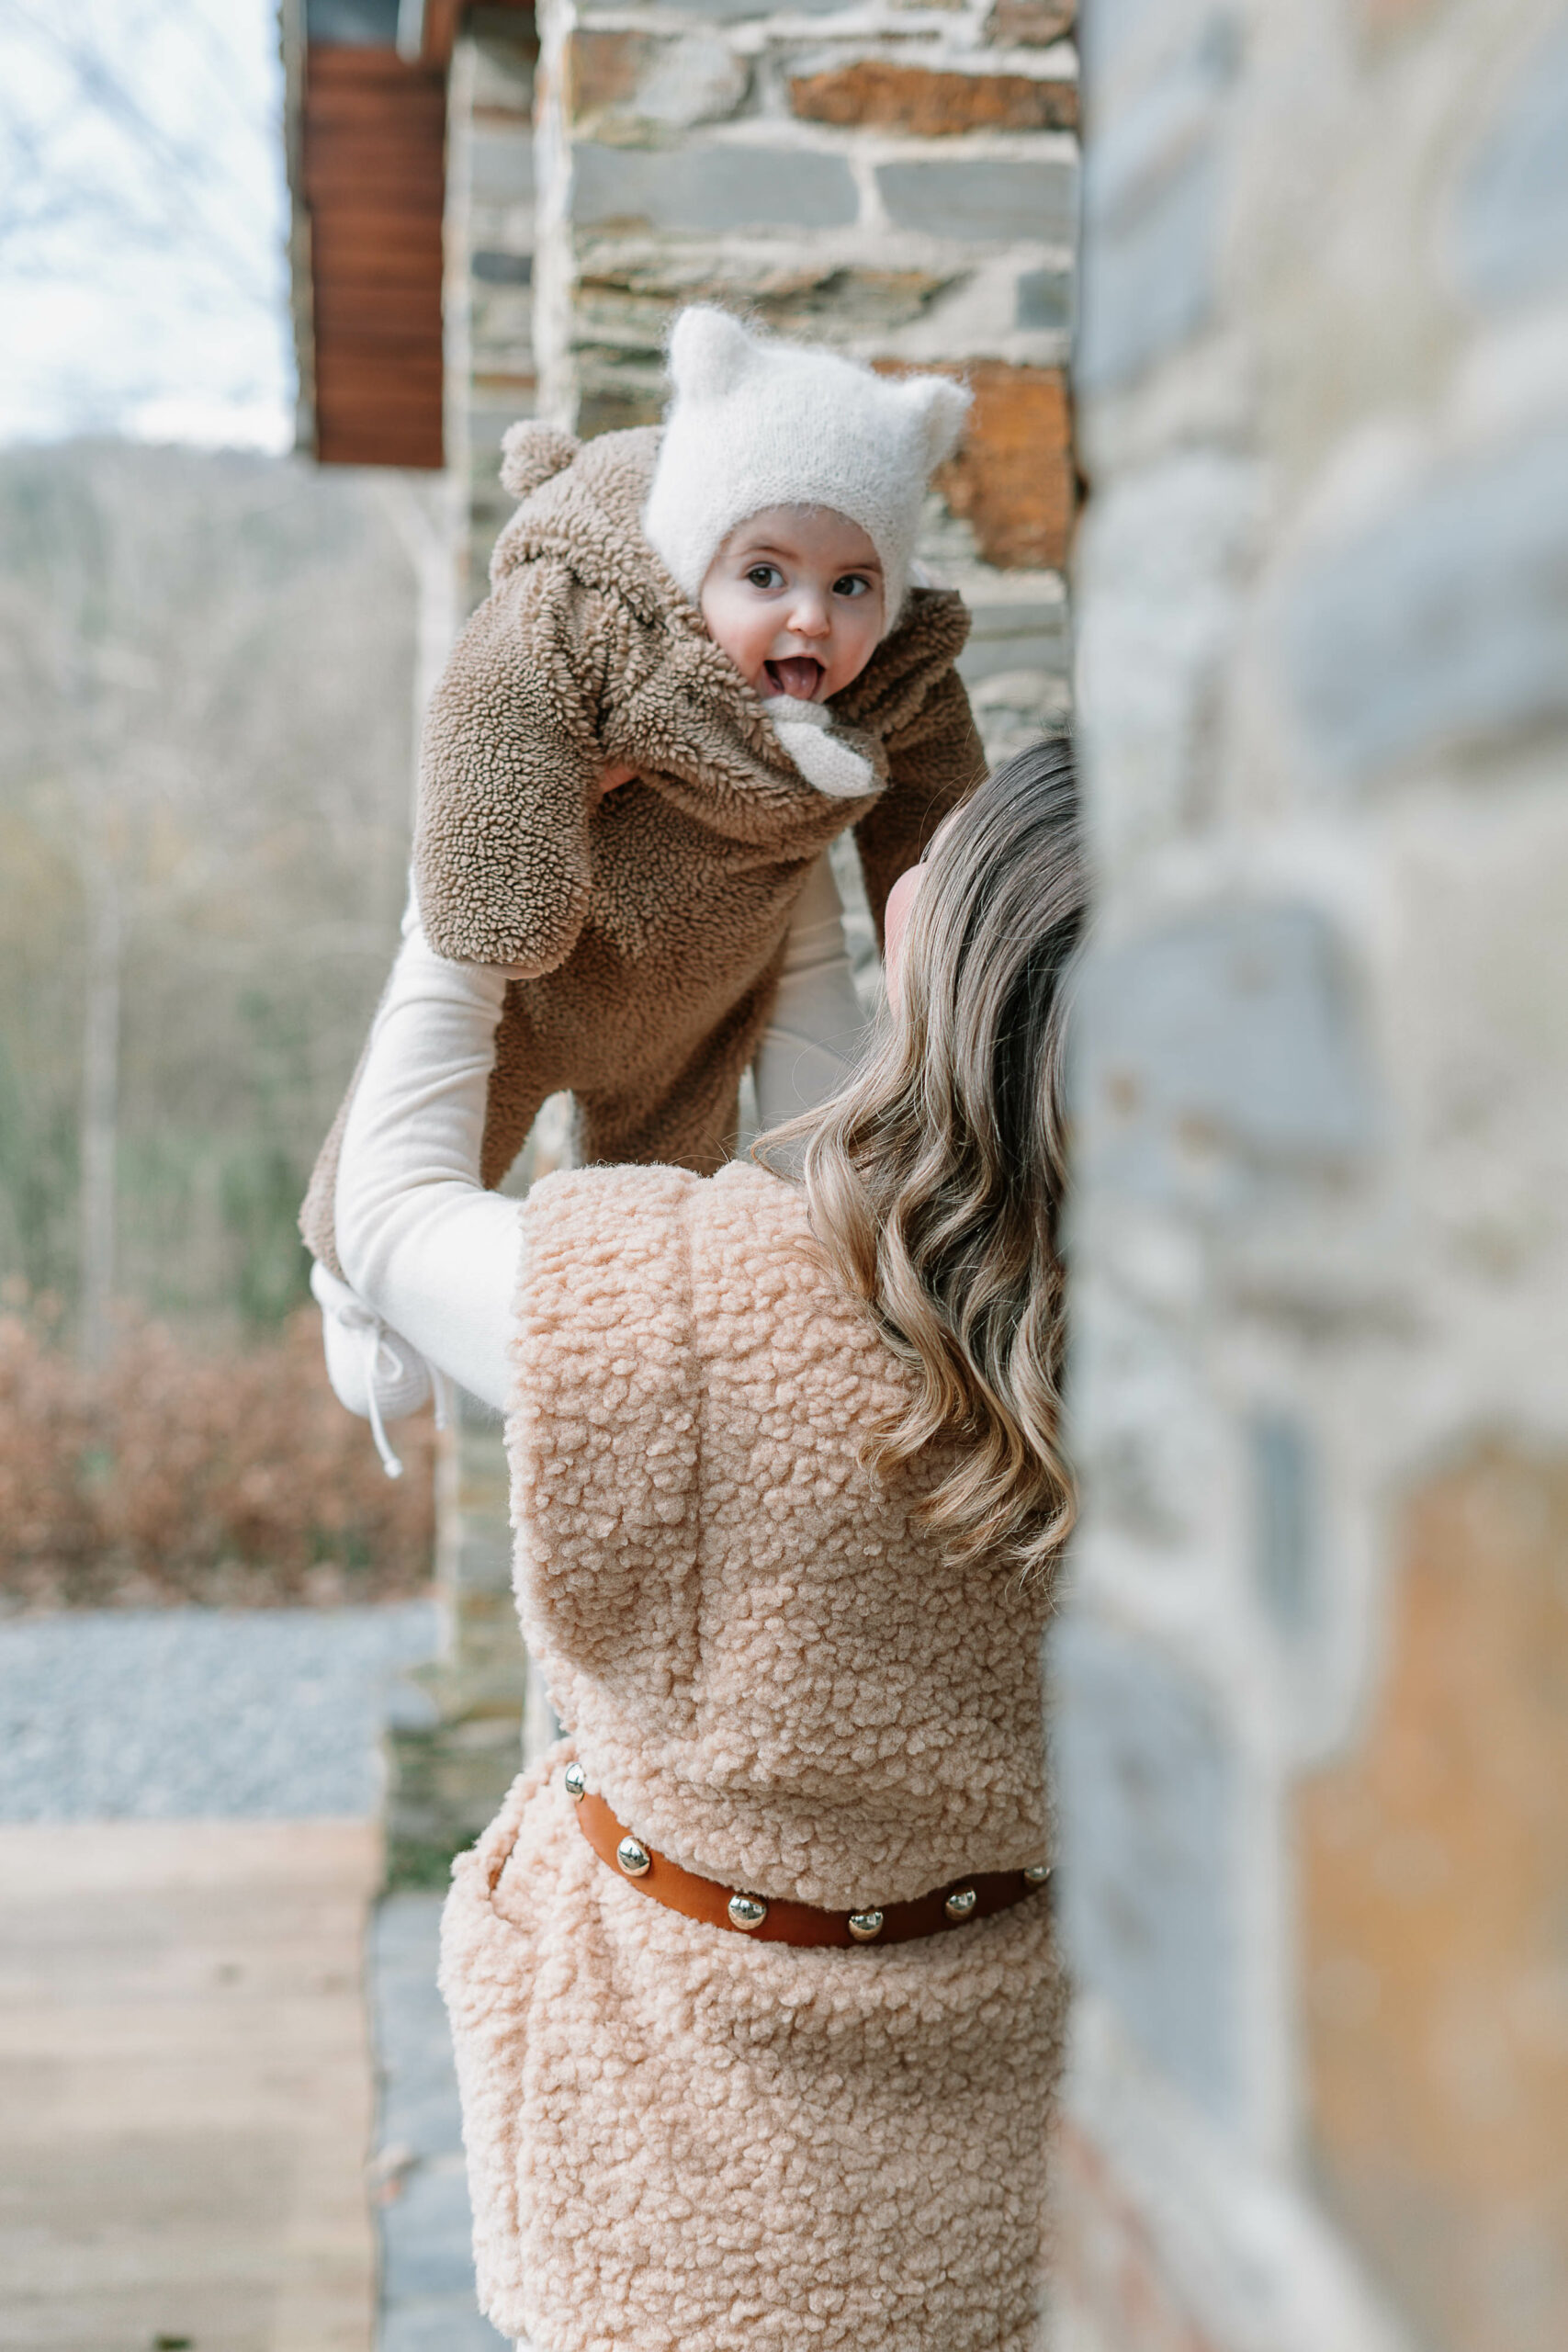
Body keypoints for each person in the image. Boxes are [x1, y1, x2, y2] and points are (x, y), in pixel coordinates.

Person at [333, 737, 1086, 2352]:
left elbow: (383, 1217)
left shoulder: (688, 1309)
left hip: (672, 2155)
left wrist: (462, 885)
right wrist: (797, 858)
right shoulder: (1228, 1361)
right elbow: (853, 1134)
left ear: (939, 953)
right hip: (1022, 2134)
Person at [306, 306, 988, 1452]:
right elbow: (499, 697)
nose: (811, 615)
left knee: (661, 1222)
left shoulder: (895, 680)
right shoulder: (598, 612)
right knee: (438, 1125)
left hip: (702, 1012)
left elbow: (942, 817)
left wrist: (943, 944)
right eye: (764, 572)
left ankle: (653, 1410)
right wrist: (492, 893)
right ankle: (348, 1278)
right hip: (539, 971)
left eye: (853, 584)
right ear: (691, 558)